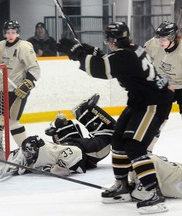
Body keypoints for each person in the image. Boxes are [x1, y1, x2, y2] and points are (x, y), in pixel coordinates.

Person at [56, 21, 174, 214]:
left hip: (153, 104)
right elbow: (109, 60)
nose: (108, 43)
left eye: (109, 40)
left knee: (135, 146)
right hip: (139, 102)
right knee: (118, 140)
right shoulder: (130, 49)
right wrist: (86, 49)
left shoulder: (124, 56)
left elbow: (100, 69)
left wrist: (77, 53)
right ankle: (122, 186)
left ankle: (154, 194)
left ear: (113, 40)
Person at [0, 94, 115, 178]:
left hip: (77, 147)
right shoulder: (44, 154)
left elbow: (62, 166)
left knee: (62, 130)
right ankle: (84, 110)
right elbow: (67, 166)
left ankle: (78, 114)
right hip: (93, 151)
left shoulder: (41, 157)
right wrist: (54, 168)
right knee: (114, 133)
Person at [0, 20, 41, 149]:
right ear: (4, 33)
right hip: (1, 88)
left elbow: (34, 69)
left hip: (18, 90)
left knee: (12, 121)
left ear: (18, 33)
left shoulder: (24, 47)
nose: (10, 35)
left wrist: (28, 83)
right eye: (8, 32)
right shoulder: (0, 46)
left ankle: (27, 149)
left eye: (13, 32)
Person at [144, 21, 182, 117]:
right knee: (158, 115)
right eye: (160, 38)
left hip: (180, 85)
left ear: (172, 38)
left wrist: (174, 85)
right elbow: (142, 60)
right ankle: (155, 131)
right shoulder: (154, 44)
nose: (160, 41)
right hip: (162, 84)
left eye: (164, 39)